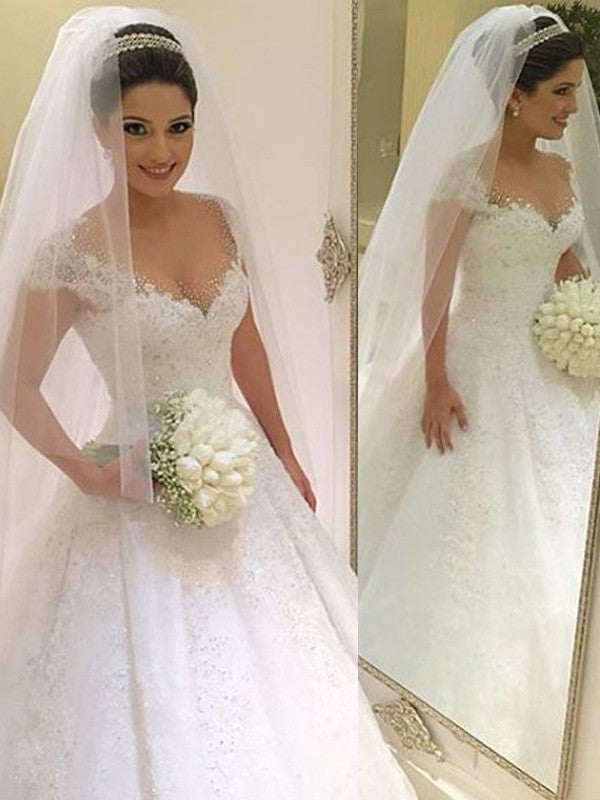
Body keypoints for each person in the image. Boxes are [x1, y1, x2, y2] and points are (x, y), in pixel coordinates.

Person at [0, 7, 416, 798]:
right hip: (135, 492)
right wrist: (91, 473)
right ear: (98, 128)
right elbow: (12, 385)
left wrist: (285, 451)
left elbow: (245, 343)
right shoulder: (72, 253)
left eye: (179, 127)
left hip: (241, 479)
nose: (162, 151)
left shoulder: (221, 218)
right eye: (136, 129)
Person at [358, 5, 600, 791]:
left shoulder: (561, 174)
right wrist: (435, 380)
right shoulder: (466, 175)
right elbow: (434, 291)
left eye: (575, 92)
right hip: (477, 365)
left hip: (553, 365)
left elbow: (563, 263)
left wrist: (586, 314)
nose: (572, 108)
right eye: (560, 92)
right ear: (514, 95)